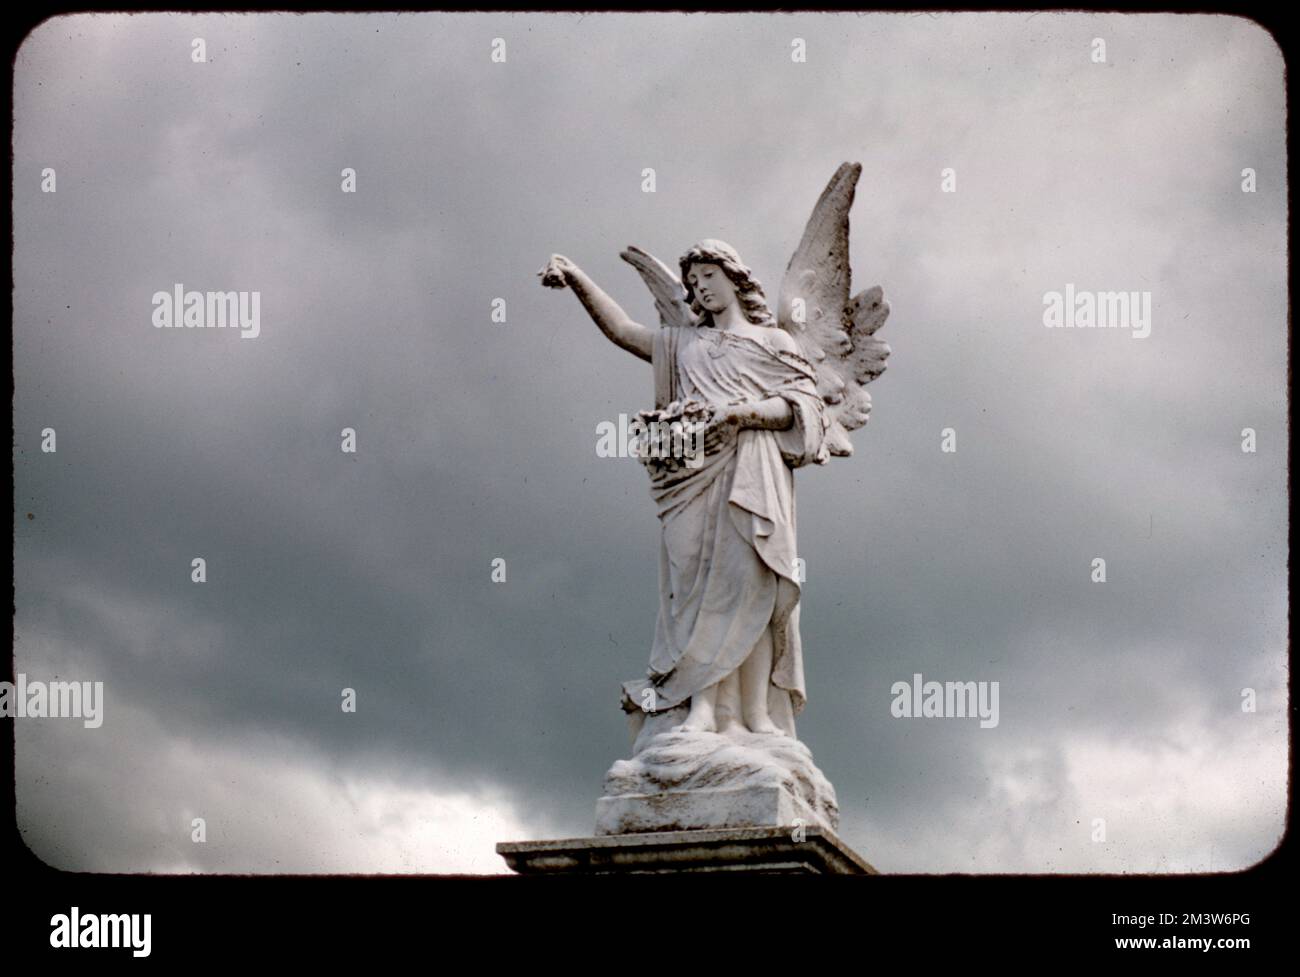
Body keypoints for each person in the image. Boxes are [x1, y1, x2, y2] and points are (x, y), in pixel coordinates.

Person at [547, 240, 828, 740]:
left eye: (708, 276)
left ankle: (756, 715)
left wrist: (742, 413)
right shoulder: (683, 344)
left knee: (754, 583)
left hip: (752, 466)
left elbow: (805, 410)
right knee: (699, 596)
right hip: (692, 478)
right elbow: (624, 332)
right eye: (693, 282)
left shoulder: (774, 343)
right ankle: (702, 710)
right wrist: (576, 279)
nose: (700, 287)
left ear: (734, 277)